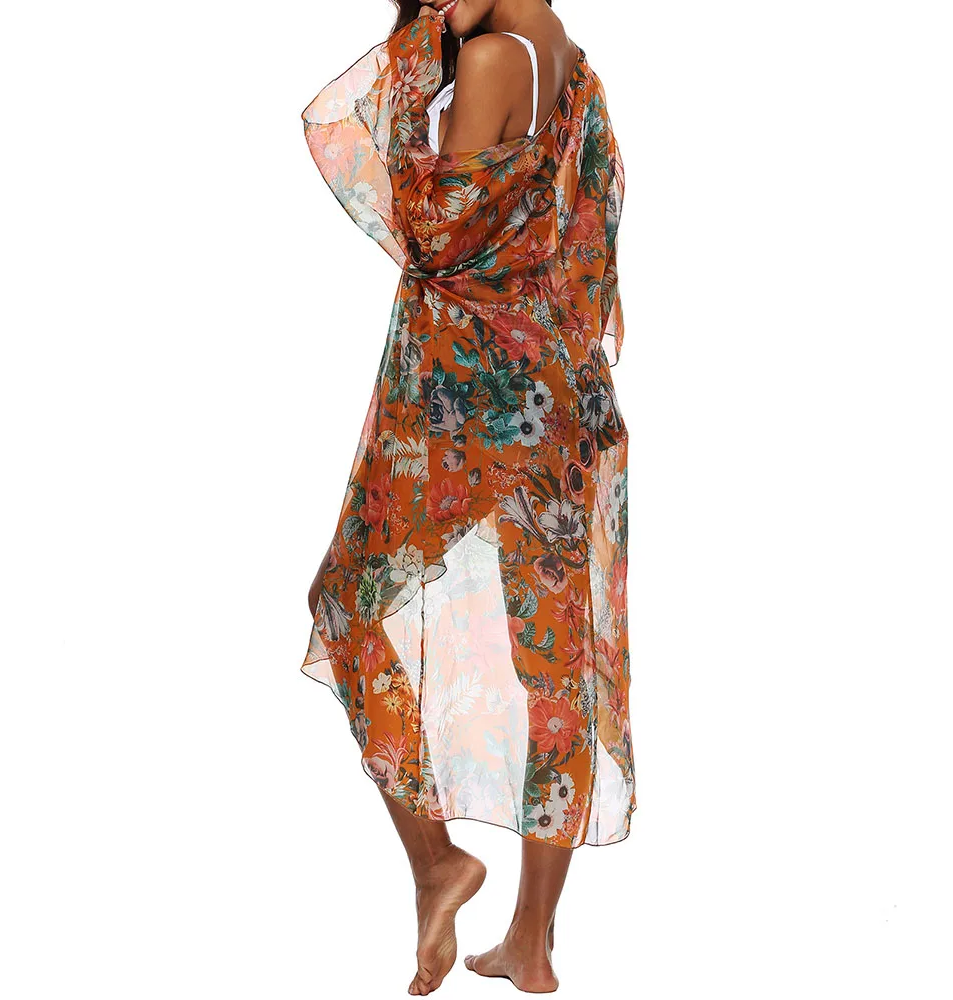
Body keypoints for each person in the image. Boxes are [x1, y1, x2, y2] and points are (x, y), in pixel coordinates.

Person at [300, 0, 634, 993]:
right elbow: (572, 237)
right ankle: (530, 941)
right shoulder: (574, 68)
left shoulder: (488, 60)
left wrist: (411, 86)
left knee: (346, 604)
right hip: (563, 399)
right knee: (555, 666)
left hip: (474, 403)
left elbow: (433, 235)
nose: (431, 4)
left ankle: (437, 863)